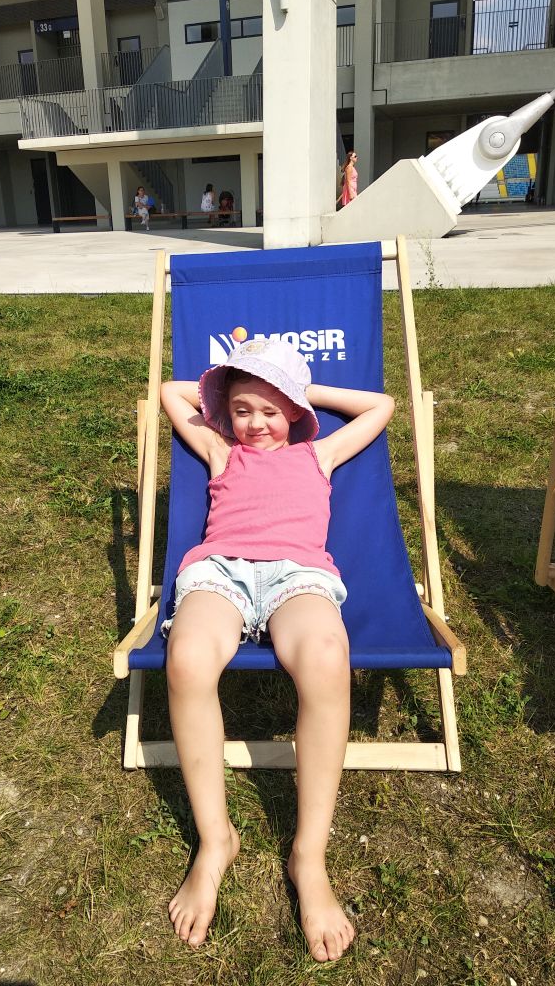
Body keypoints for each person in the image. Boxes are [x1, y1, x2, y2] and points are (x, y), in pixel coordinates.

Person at [159, 339, 395, 962]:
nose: (255, 423)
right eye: (241, 409)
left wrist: (301, 390)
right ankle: (216, 840)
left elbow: (382, 406)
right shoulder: (220, 450)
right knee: (187, 657)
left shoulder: (319, 453)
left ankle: (308, 857)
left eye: (271, 410)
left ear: (293, 411)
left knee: (326, 656)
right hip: (222, 571)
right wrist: (228, 391)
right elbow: (170, 392)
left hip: (298, 575)